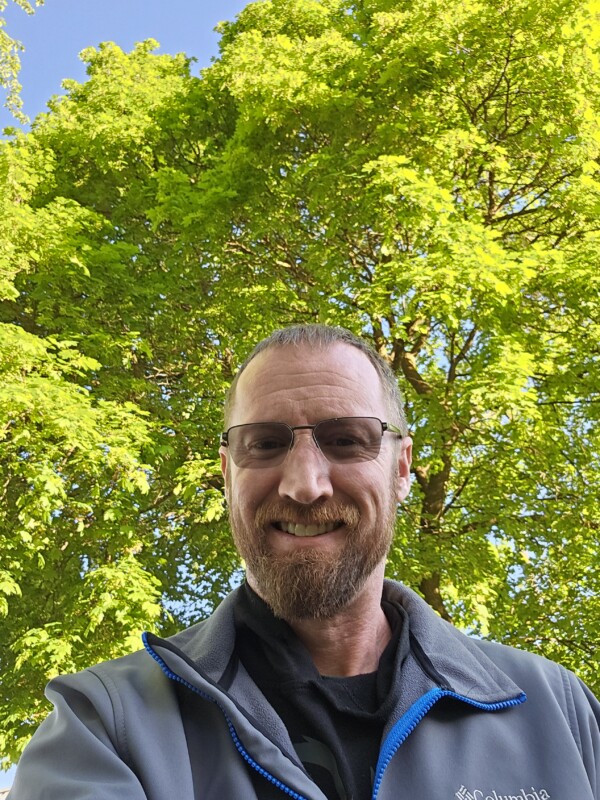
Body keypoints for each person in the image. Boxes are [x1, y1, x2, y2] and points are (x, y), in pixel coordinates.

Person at [9, 324, 600, 800]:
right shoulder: (104, 729)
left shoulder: (560, 711)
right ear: (227, 475)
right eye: (265, 444)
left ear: (400, 470)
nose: (305, 484)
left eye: (346, 440)